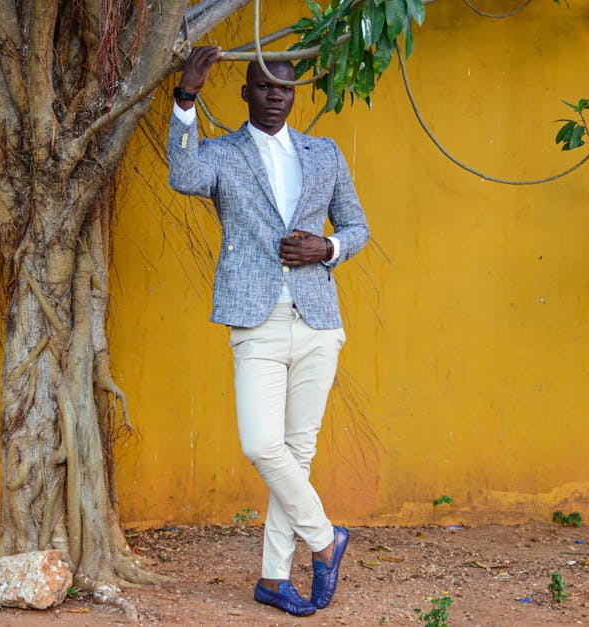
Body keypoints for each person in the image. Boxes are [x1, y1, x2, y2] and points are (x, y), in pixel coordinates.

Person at [167, 45, 370, 617]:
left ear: (294, 95)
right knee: (262, 444)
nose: (276, 96)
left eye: (285, 88)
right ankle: (327, 540)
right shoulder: (223, 155)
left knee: (296, 455)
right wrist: (187, 95)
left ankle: (273, 578)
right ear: (247, 92)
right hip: (255, 320)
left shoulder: (322, 153)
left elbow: (357, 226)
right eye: (264, 86)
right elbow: (182, 175)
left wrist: (326, 247)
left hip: (317, 321)